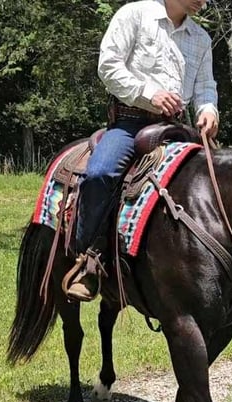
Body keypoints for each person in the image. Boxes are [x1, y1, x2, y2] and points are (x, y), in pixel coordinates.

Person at [64, 0, 219, 302]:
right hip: (130, 123)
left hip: (177, 127)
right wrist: (150, 93)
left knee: (218, 179)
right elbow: (108, 66)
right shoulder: (135, 14)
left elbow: (205, 87)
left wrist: (209, 109)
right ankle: (87, 258)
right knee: (100, 173)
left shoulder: (201, 38)